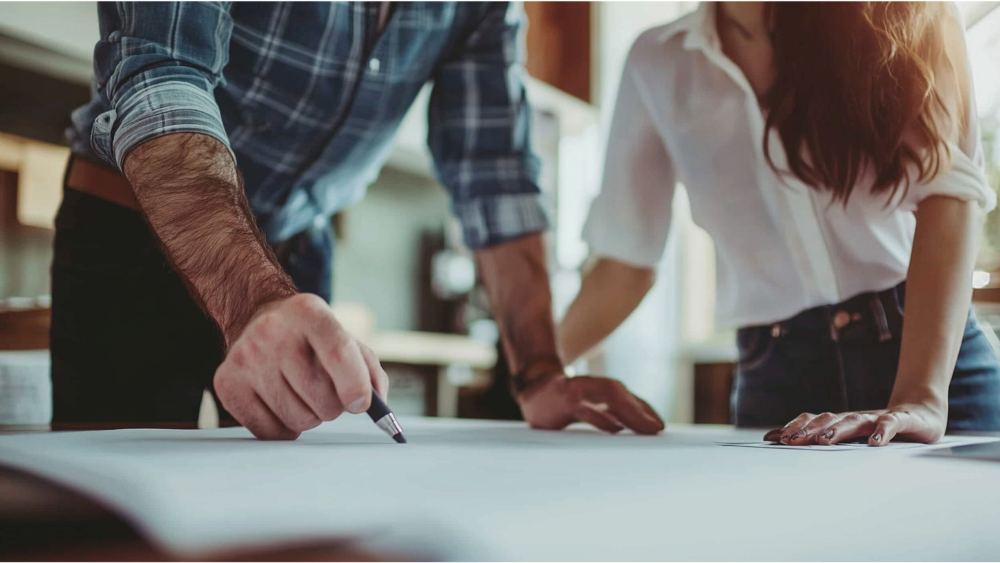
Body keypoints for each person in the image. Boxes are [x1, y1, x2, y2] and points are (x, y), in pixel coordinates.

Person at [54, 0, 665, 439]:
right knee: (116, 513)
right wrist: (251, 302)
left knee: (289, 514)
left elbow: (494, 170)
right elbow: (163, 70)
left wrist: (537, 374)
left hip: (295, 258)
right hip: (138, 225)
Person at [559, 0, 1000, 445]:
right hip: (779, 380)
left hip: (934, 367)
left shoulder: (907, 13)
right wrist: (538, 374)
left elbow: (952, 196)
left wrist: (920, 397)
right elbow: (624, 266)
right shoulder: (657, 61)